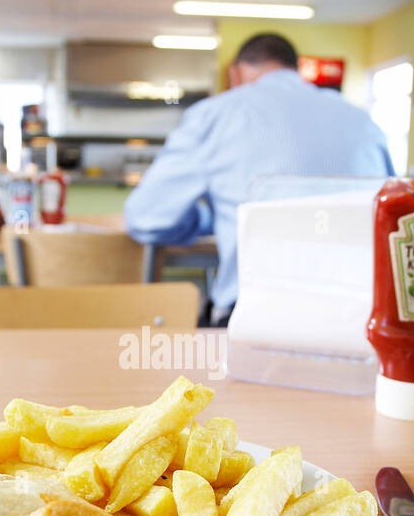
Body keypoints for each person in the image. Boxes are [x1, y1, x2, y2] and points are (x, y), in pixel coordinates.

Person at [124, 33, 394, 326]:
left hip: (255, 321)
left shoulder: (215, 115)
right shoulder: (363, 121)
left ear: (234, 71)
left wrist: (208, 219)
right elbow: (391, 213)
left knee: (184, 358)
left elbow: (146, 218)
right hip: (359, 320)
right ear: (296, 68)